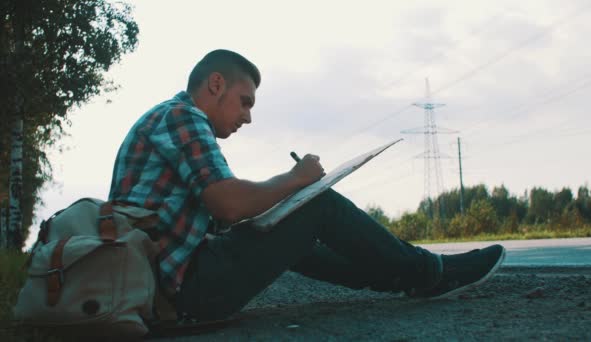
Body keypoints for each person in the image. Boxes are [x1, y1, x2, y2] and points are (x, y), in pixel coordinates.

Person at [108, 49, 505, 322]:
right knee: (319, 206)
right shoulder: (182, 116)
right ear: (216, 84)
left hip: (170, 288)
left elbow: (224, 213)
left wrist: (282, 203)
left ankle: (402, 278)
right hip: (184, 292)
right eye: (244, 102)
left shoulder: (166, 120)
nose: (247, 118)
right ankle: (429, 273)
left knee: (290, 229)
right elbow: (228, 204)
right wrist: (298, 180)